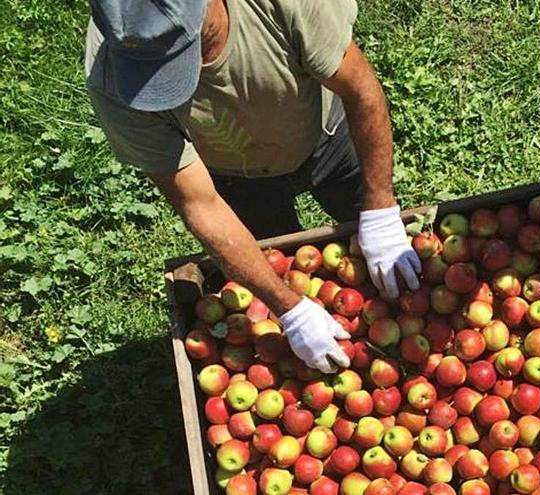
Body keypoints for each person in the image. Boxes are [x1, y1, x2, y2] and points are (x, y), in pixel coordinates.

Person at [84, 0, 421, 372]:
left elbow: (359, 89)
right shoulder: (117, 76)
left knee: (380, 244)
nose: (178, 75)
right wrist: (288, 308)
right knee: (280, 262)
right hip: (236, 174)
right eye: (154, 68)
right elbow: (199, 203)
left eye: (180, 52)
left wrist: (380, 207)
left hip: (325, 133)